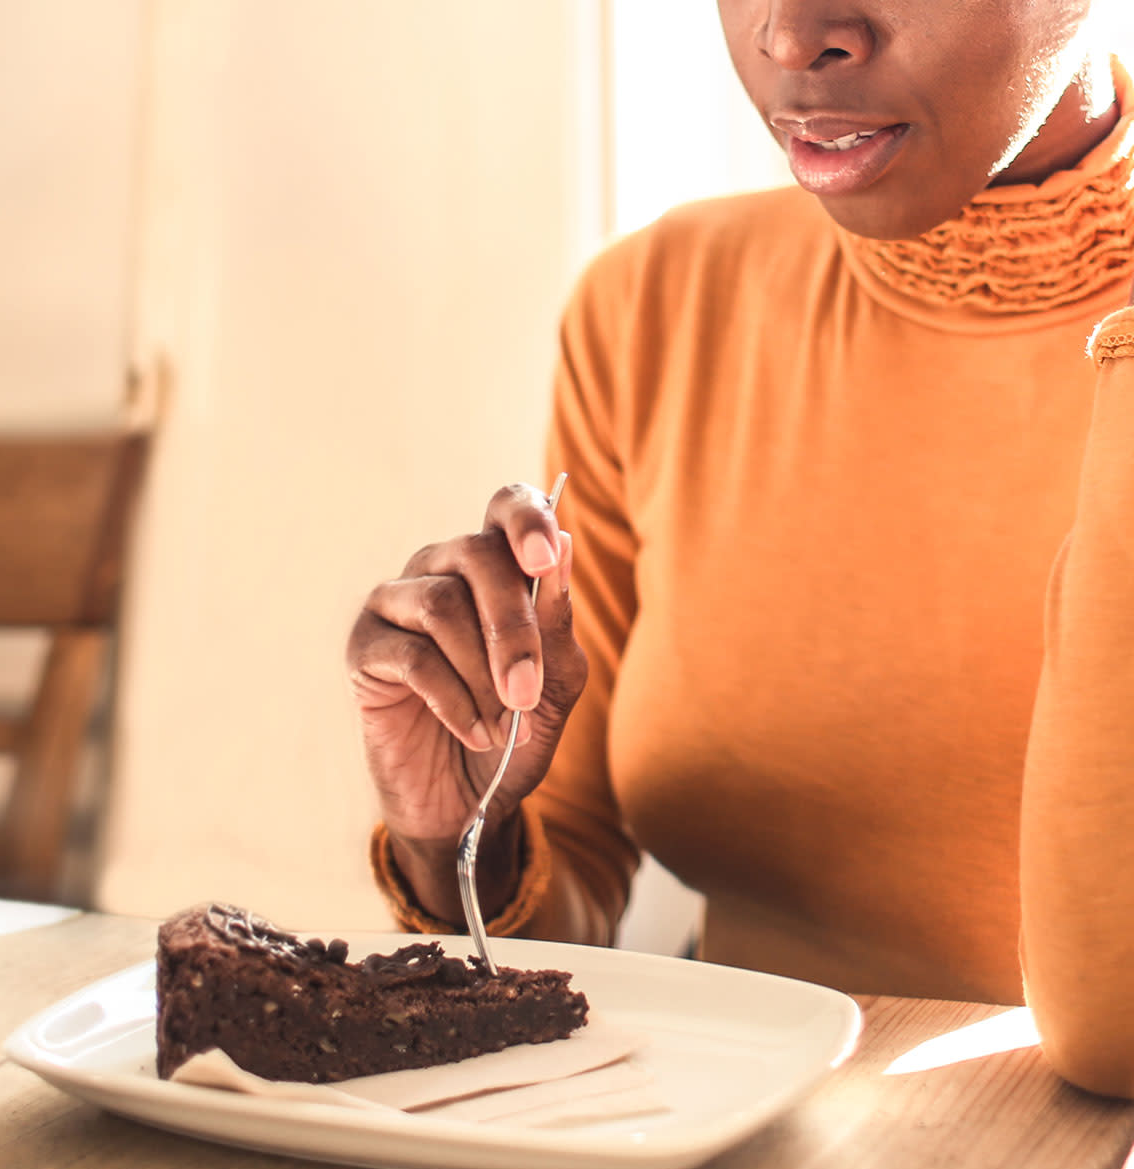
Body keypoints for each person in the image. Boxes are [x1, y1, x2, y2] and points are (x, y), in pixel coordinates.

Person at [346, 0, 1134, 1099]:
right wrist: (462, 833)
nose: (791, 33)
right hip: (722, 1130)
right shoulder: (657, 306)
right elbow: (570, 901)